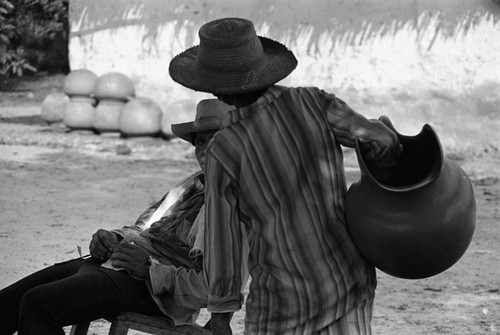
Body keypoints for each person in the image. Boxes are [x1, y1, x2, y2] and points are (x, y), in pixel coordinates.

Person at [169, 18, 402, 334]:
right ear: (263, 67)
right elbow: (382, 140)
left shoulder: (224, 147)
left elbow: (224, 239)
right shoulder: (314, 102)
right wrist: (379, 183)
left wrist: (221, 314)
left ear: (215, 88)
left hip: (281, 303)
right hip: (347, 280)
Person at [0, 99, 233, 335]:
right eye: (200, 141)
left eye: (215, 140)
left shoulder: (233, 202)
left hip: (152, 292)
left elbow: (216, 287)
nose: (204, 149)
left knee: (39, 304)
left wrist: (150, 270)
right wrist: (112, 237)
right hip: (117, 266)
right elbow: (144, 227)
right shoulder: (190, 186)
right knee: (7, 303)